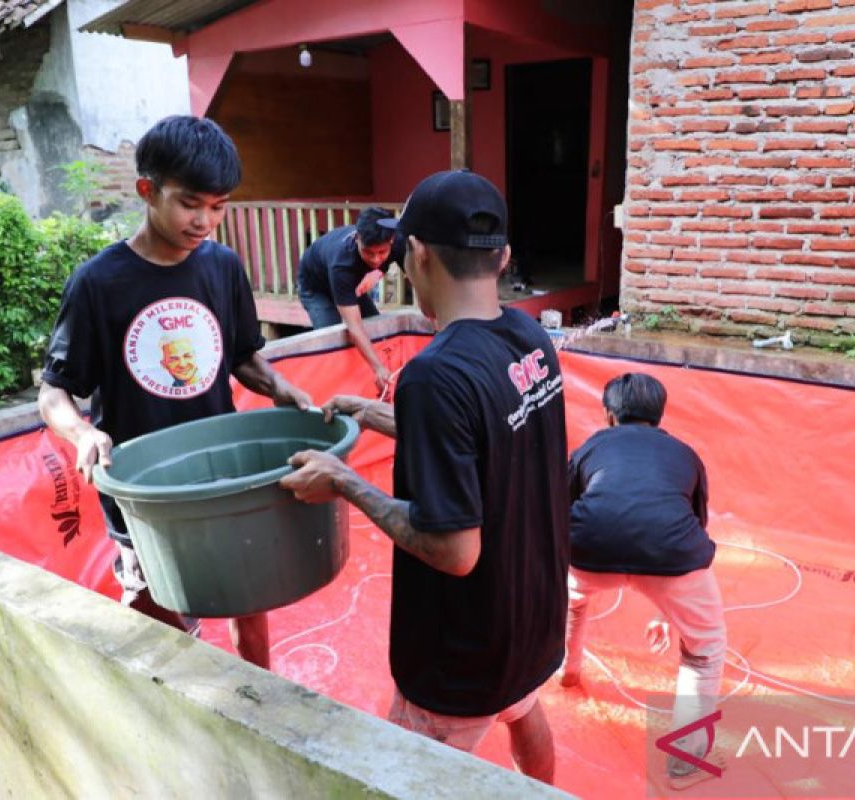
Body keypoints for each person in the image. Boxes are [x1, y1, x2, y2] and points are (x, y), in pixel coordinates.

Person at [279, 170, 569, 784]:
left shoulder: (435, 374)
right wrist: (375, 412)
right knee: (522, 709)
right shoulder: (529, 336)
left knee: (398, 776)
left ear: (417, 253)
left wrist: (346, 483)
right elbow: (482, 437)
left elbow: (455, 549)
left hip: (462, 647)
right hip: (528, 614)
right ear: (504, 256)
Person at [38, 115, 312, 670]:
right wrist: (82, 433)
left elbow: (240, 357)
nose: (205, 221)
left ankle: (263, 709)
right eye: (191, 203)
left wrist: (281, 387)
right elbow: (54, 393)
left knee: (249, 604)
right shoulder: (98, 283)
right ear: (147, 190)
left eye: (219, 206)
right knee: (160, 637)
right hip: (146, 498)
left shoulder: (224, 267)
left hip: (223, 481)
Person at [561, 372, 727, 790]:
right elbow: (692, 527)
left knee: (573, 603)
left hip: (588, 552)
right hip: (672, 559)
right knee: (704, 649)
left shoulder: (591, 446)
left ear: (609, 415)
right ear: (660, 416)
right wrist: (672, 612)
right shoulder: (685, 454)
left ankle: (568, 668)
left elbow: (560, 507)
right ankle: (686, 756)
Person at [296, 206, 405, 395]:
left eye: (382, 252)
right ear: (357, 239)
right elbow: (354, 327)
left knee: (376, 330)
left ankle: (376, 385)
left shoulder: (397, 241)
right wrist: (378, 368)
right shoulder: (342, 263)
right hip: (317, 288)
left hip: (353, 284)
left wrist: (378, 272)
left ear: (392, 241)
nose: (376, 258)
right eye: (368, 252)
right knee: (334, 341)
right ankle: (338, 394)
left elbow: (420, 279)